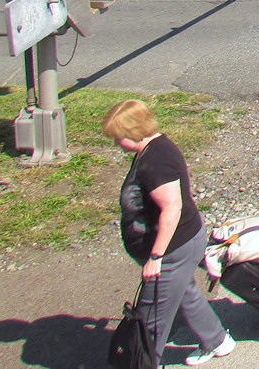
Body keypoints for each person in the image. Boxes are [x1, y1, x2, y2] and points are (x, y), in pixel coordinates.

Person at [103, 100, 237, 366]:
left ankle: (144, 363)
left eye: (119, 138)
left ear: (135, 131)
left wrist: (155, 257)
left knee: (152, 319)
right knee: (184, 291)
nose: (117, 144)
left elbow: (172, 209)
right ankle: (217, 340)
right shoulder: (155, 148)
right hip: (182, 244)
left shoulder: (155, 162)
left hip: (173, 250)